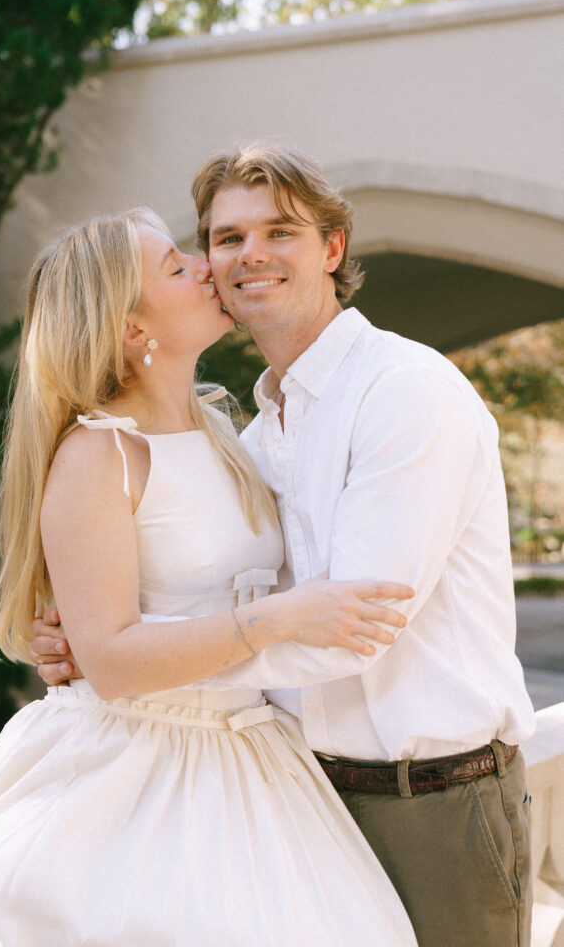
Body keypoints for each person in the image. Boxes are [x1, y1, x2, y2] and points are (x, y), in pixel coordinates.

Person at [34, 145, 537, 947]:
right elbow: (237, 591)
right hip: (297, 799)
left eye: (280, 232)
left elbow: (353, 630)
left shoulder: (402, 389)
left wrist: (127, 663)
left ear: (331, 249)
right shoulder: (252, 435)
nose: (247, 255)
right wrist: (101, 639)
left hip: (434, 804)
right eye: (225, 239)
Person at [0, 208, 418, 946]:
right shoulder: (97, 456)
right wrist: (282, 618)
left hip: (250, 757)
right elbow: (108, 664)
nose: (206, 264)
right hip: (142, 776)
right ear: (131, 327)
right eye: (175, 266)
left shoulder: (222, 432)